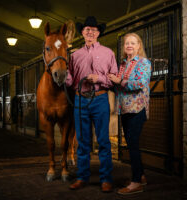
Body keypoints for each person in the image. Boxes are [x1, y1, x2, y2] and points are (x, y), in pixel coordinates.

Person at [66, 16, 118, 192]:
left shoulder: (108, 53)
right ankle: (82, 177)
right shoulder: (74, 55)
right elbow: (70, 81)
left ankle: (106, 179)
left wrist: (99, 78)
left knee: (103, 140)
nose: (90, 32)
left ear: (98, 33)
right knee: (82, 141)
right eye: (87, 29)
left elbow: (114, 79)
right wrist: (61, 73)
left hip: (100, 98)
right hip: (80, 100)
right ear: (82, 32)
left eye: (94, 30)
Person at [107, 32, 151, 195]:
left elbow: (140, 83)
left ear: (139, 45)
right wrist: (107, 80)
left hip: (137, 109)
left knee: (132, 144)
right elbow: (119, 86)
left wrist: (119, 81)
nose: (129, 45)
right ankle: (141, 176)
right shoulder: (123, 64)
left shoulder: (143, 62)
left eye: (133, 43)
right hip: (124, 109)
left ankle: (136, 182)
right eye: (127, 43)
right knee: (131, 143)